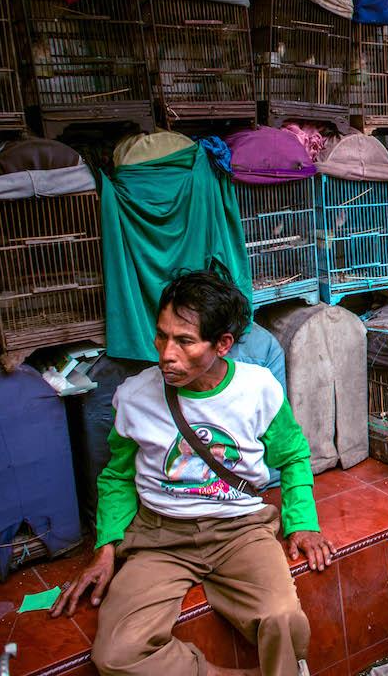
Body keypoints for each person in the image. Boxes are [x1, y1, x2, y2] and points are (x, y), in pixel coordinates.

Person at [51, 270, 336, 676]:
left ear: (222, 345)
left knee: (284, 621)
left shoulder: (258, 389)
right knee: (115, 653)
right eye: (162, 336)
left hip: (239, 530)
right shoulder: (133, 396)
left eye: (185, 341)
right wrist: (107, 546)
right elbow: (116, 476)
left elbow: (292, 455)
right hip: (158, 537)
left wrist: (302, 523)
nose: (167, 353)